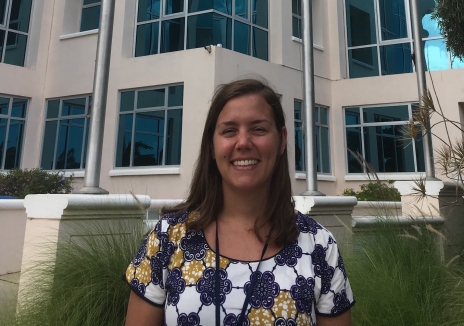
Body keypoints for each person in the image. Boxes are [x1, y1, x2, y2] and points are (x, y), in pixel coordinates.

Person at [124, 78, 355, 325]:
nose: (243, 142)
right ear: (212, 145)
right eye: (229, 130)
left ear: (282, 139)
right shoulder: (166, 238)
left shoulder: (319, 246)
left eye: (258, 129)